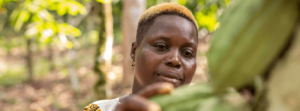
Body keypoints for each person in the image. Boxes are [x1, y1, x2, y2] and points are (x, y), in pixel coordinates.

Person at [84, 3, 199, 111]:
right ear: (134, 52)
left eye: (188, 53)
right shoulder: (98, 108)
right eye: (161, 46)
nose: (175, 60)